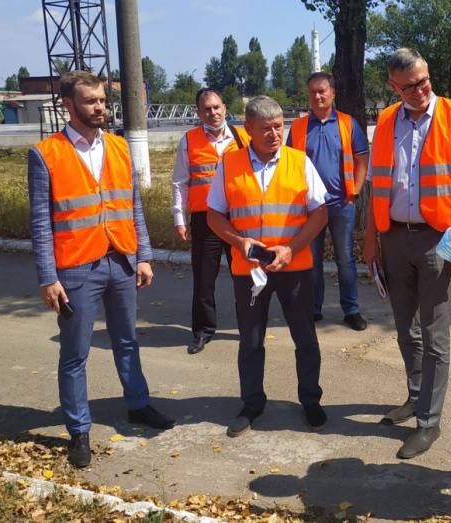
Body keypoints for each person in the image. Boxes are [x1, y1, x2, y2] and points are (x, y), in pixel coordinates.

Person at [27, 70, 176, 469]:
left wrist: (143, 254)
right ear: (68, 105)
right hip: (76, 268)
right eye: (91, 101)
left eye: (102, 101)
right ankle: (78, 431)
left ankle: (138, 406)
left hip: (122, 260)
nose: (100, 108)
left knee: (126, 339)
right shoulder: (46, 154)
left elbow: (134, 206)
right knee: (75, 354)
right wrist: (48, 277)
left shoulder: (120, 147)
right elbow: (41, 224)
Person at [362, 48, 451, 459]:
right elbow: (375, 186)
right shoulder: (384, 121)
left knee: (435, 335)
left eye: (424, 81)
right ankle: (416, 396)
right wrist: (370, 238)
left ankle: (428, 424)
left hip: (440, 241)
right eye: (410, 85)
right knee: (405, 329)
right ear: (392, 86)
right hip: (394, 238)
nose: (420, 90)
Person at [206, 95, 329, 436]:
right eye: (266, 129)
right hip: (249, 272)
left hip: (296, 266)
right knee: (251, 339)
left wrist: (291, 249)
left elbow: (320, 213)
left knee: (305, 337)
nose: (275, 134)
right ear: (248, 129)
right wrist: (239, 241)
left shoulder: (299, 161)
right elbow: (214, 215)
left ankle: (311, 400)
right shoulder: (228, 165)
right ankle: (252, 403)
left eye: (279, 127)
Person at [287, 72, 369, 331]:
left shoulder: (347, 123)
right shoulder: (298, 127)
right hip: (311, 206)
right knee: (312, 259)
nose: (317, 96)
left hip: (341, 203)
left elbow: (361, 159)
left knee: (346, 258)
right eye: (312, 92)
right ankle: (313, 309)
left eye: (322, 91)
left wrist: (354, 190)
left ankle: (351, 310)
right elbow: (290, 164)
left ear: (333, 93)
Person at [171, 88, 250, 355]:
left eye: (216, 107)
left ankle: (250, 327)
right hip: (205, 220)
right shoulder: (189, 140)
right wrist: (179, 218)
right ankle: (203, 331)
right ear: (198, 113)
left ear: (225, 108)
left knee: (245, 274)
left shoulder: (243, 137)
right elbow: (180, 182)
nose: (213, 113)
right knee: (204, 279)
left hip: (239, 219)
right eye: (207, 109)